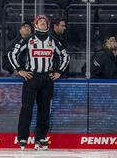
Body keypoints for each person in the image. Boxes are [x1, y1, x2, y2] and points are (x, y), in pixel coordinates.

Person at [7, 15, 70, 150]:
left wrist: (59, 71)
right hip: (31, 77)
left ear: (48, 25)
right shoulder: (29, 39)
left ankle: (40, 137)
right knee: (26, 108)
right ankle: (23, 138)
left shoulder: (52, 41)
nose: (42, 23)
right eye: (40, 21)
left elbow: (65, 55)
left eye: (44, 21)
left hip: (47, 78)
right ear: (36, 24)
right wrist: (19, 70)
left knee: (44, 109)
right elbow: (12, 54)